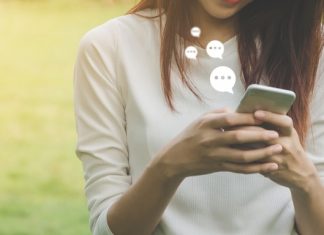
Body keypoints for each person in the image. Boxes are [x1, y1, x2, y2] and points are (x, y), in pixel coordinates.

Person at [73, 0, 324, 234]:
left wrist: (305, 179)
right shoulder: (108, 48)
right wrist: (169, 168)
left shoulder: (311, 46)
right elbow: (106, 227)